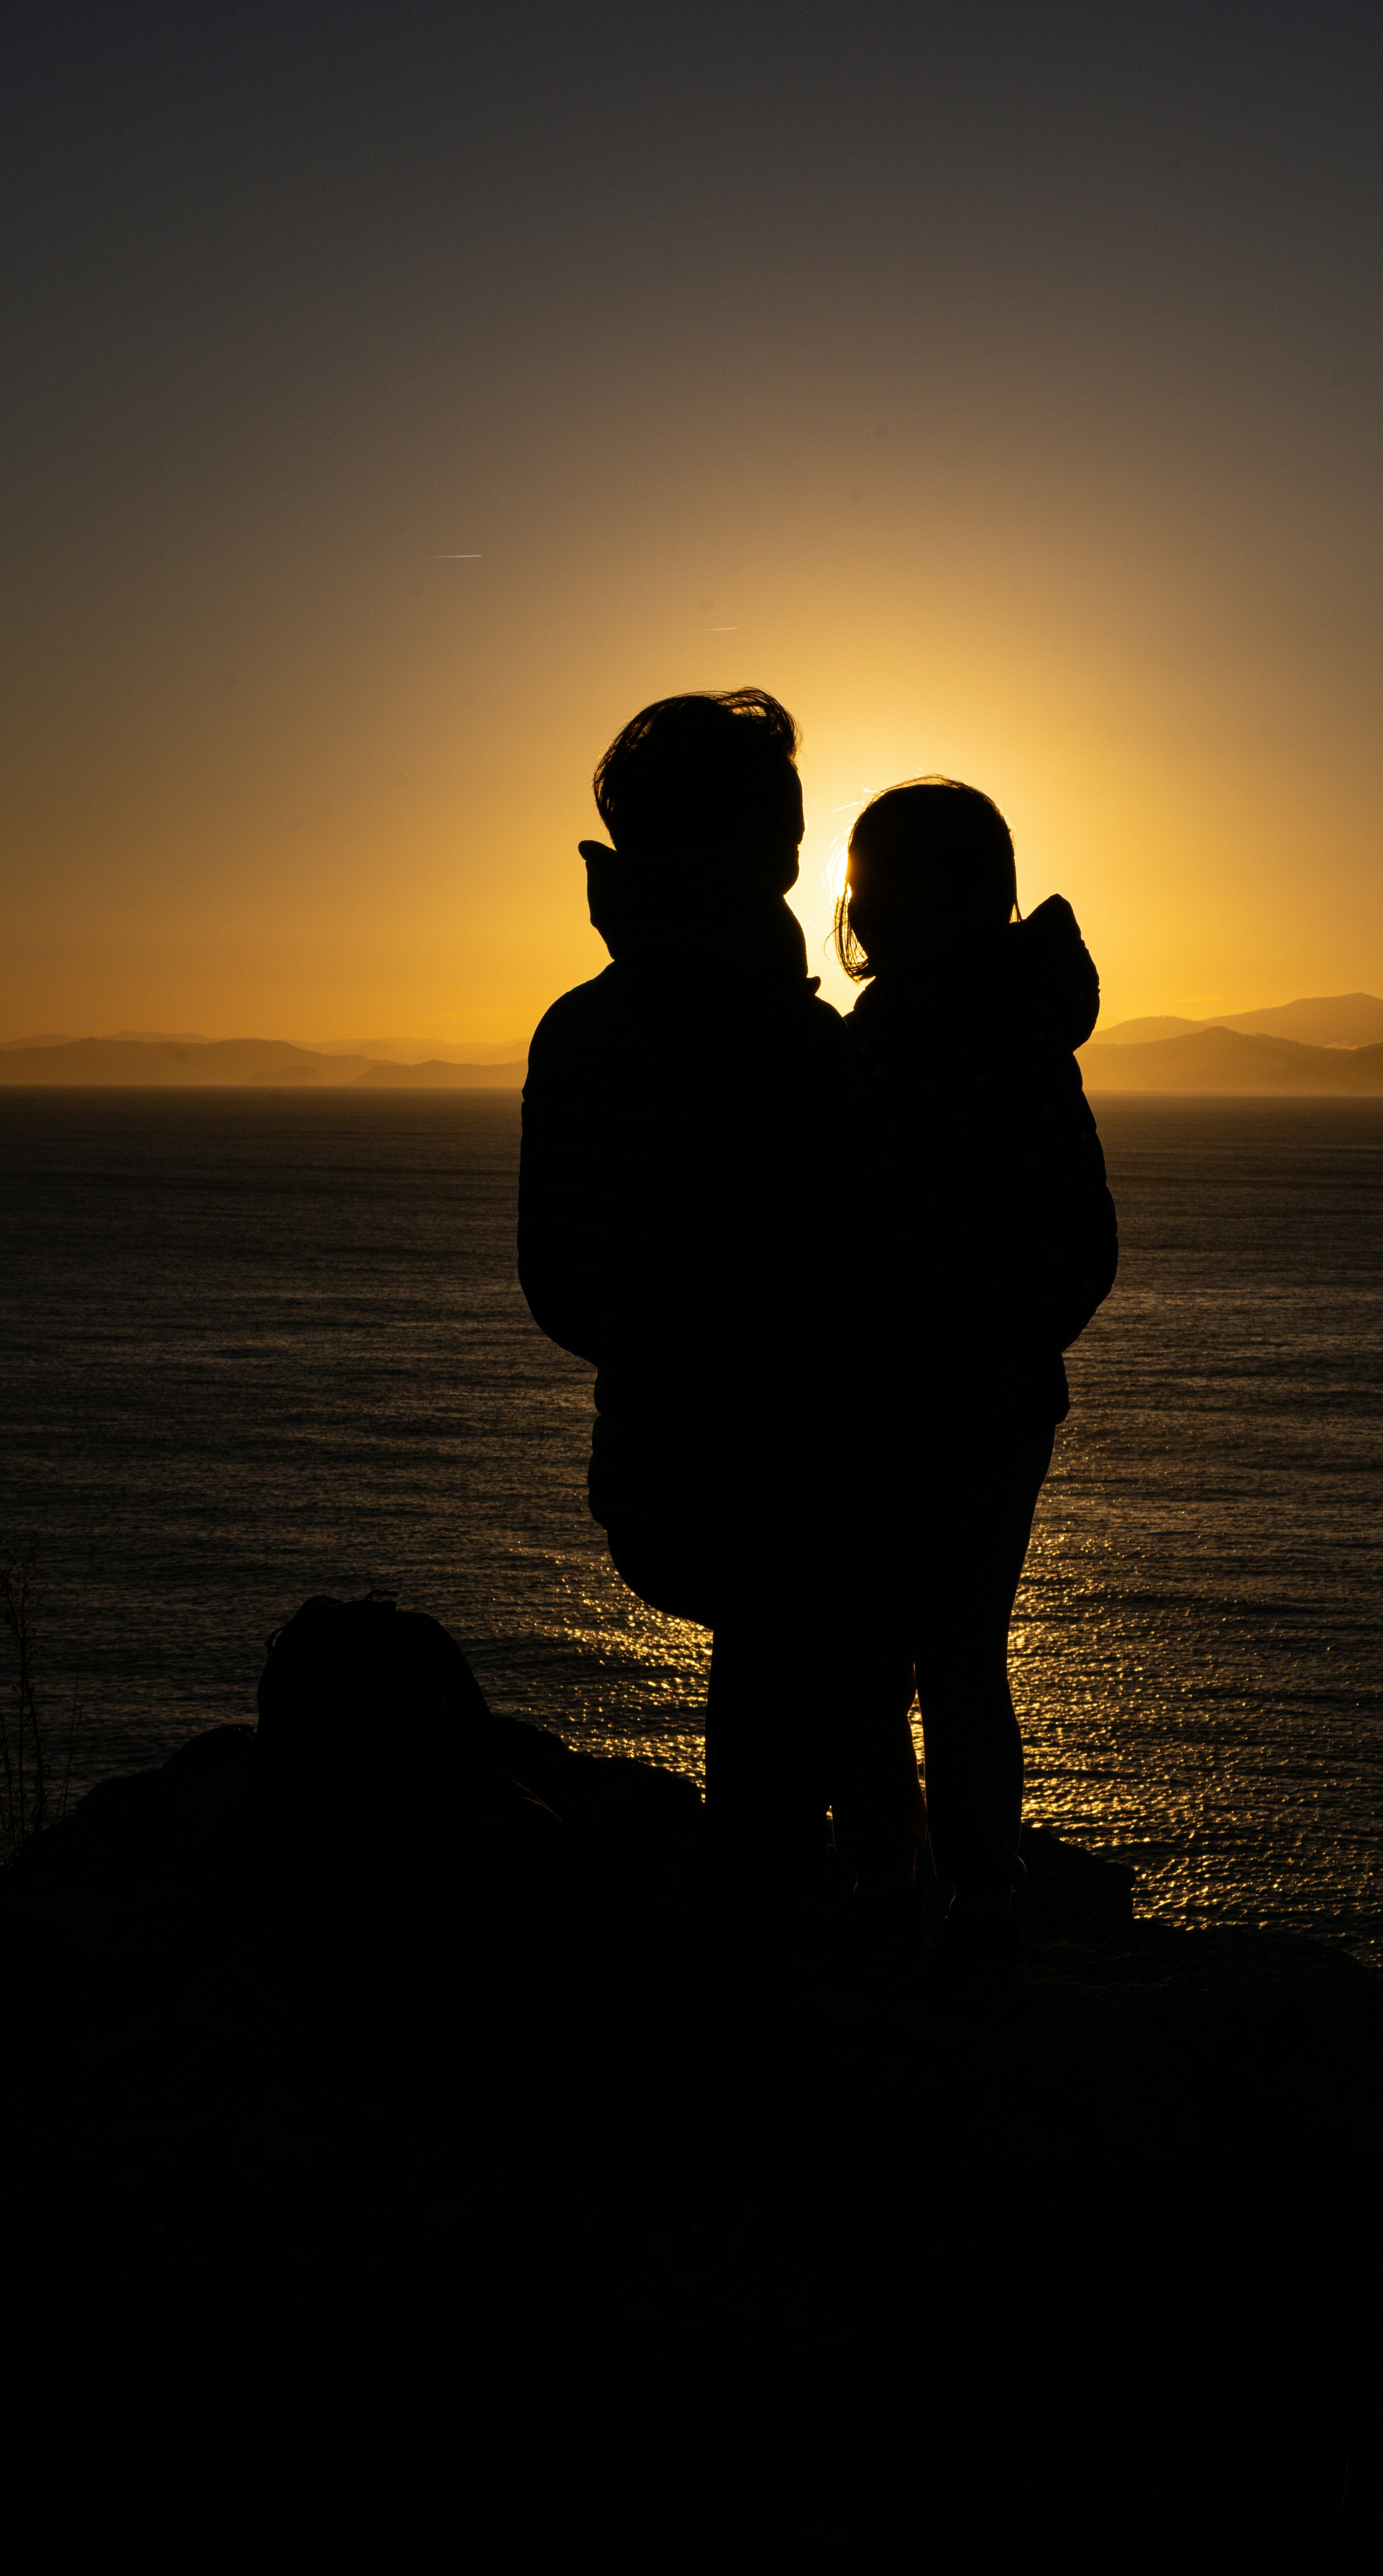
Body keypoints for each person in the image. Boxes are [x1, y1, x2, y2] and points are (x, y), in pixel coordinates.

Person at [517, 687, 876, 1892]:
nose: (793, 848)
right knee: (815, 1655)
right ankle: (798, 1943)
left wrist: (669, 1352)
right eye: (779, 822)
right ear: (746, 844)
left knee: (786, 1663)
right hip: (783, 1470)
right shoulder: (807, 1050)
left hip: (659, 1463)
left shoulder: (580, 1032)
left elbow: (560, 1285)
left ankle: (774, 1918)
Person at [836, 778, 1117, 2020]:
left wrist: (976, 1341)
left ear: (970, 890)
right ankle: (912, 1902)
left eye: (899, 873)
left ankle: (958, 1912)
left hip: (970, 1400)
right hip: (921, 1394)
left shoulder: (993, 1039)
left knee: (935, 1658)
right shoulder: (893, 1030)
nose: (870, 898)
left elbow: (1078, 1243)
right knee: (898, 1660)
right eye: (863, 869)